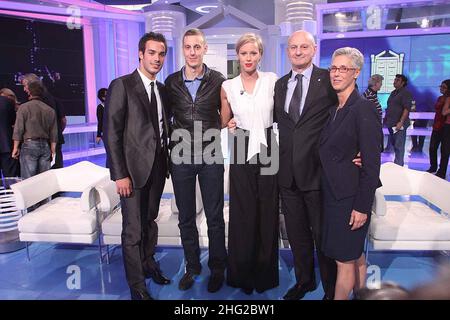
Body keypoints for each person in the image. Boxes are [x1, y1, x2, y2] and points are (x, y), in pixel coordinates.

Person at [104, 32, 171, 300]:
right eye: (152, 53)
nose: (157, 58)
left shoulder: (162, 89)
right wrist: (120, 174)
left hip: (157, 169)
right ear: (141, 54)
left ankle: (148, 263)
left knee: (150, 222)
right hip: (131, 173)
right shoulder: (122, 85)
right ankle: (137, 287)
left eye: (161, 53)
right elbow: (112, 133)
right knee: (132, 230)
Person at [274, 30, 338, 300]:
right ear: (287, 52)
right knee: (297, 235)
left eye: (303, 47)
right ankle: (305, 282)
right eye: (293, 48)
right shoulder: (280, 84)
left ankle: (332, 287)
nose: (298, 52)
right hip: (287, 175)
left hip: (318, 174)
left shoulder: (328, 80)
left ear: (313, 50)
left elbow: (348, 117)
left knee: (323, 236)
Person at [165, 28, 227, 293]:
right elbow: (165, 117)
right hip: (181, 155)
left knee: (214, 216)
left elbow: (225, 116)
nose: (192, 52)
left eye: (197, 47)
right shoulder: (170, 82)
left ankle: (217, 268)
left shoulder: (218, 80)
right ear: (183, 49)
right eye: (188, 47)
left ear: (204, 49)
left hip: (211, 153)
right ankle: (192, 266)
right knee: (186, 216)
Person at [320, 47, 382, 300]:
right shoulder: (334, 109)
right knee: (355, 255)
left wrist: (362, 206)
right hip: (333, 194)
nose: (336, 73)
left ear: (356, 73)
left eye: (343, 68)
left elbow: (372, 163)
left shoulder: (363, 108)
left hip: (349, 199)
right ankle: (363, 295)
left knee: (344, 262)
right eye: (333, 68)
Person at [220, 33, 279, 294]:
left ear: (260, 55)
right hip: (242, 145)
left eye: (253, 53)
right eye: (244, 53)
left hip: (269, 145)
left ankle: (264, 275)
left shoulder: (272, 81)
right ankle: (241, 274)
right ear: (238, 55)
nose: (248, 58)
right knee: (243, 214)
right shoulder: (228, 86)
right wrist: (229, 123)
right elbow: (222, 120)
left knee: (267, 212)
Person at [12, 81, 58, 179]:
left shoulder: (23, 108)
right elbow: (54, 133)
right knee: (44, 179)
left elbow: (18, 129)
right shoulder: (50, 110)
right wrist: (53, 150)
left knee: (29, 180)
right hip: (46, 146)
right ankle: (46, 195)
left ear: (29, 92)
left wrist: (15, 148)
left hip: (29, 146)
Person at [20, 74, 66, 169]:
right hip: (55, 140)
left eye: (25, 86)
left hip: (40, 143)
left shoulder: (29, 104)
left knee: (40, 175)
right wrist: (56, 132)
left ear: (32, 85)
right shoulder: (54, 99)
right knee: (56, 170)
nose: (24, 89)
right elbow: (63, 120)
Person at [384, 74, 413, 166]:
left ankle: (399, 165)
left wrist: (401, 122)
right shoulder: (393, 92)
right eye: (395, 80)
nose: (394, 81)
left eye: (397, 80)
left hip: (399, 124)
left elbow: (406, 108)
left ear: (403, 83)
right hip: (391, 123)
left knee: (399, 146)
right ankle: (397, 163)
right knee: (394, 145)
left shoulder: (405, 93)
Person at [427, 80, 450, 175]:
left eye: (444, 87)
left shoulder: (448, 98)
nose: (441, 88)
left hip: (445, 126)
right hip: (437, 125)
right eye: (441, 86)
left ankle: (442, 171)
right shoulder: (440, 98)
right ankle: (433, 166)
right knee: (432, 147)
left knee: (444, 150)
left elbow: (444, 112)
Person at [0, 95, 18, 178]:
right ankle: (11, 191)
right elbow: (14, 121)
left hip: (7, 144)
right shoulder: (7, 101)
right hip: (7, 143)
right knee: (10, 178)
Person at [439, 94, 450, 179]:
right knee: (445, 150)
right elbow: (444, 112)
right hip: (448, 126)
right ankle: (442, 172)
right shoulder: (448, 99)